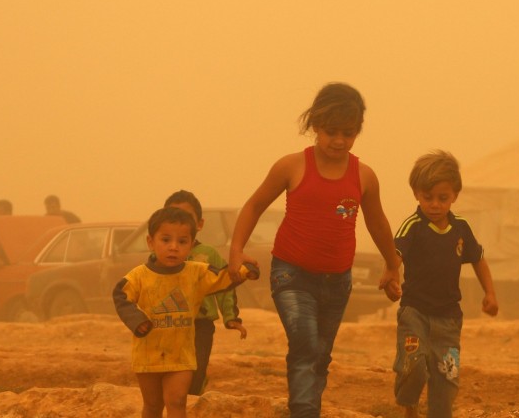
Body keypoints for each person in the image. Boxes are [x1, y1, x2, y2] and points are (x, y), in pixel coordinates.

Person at [228, 81, 402, 418]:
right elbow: (254, 206)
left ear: (358, 131)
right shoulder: (291, 166)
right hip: (291, 274)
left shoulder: (364, 176)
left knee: (321, 354)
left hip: (337, 281)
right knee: (306, 346)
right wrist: (237, 250)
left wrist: (393, 265)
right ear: (314, 127)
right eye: (331, 131)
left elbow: (377, 224)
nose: (339, 140)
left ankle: (308, 407)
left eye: (348, 133)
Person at [113, 206, 258, 418]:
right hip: (148, 355)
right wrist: (137, 320)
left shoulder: (196, 273)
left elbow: (222, 277)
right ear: (150, 242)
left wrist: (245, 271)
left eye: (182, 241)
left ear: (191, 244)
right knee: (153, 406)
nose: (174, 247)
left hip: (182, 355)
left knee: (178, 401)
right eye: (165, 240)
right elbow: (121, 296)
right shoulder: (138, 276)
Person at [391, 150, 499, 418]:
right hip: (414, 312)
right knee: (413, 364)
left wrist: (490, 293)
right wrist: (390, 275)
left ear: (455, 196)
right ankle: (410, 407)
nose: (435, 205)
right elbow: (395, 253)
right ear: (416, 193)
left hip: (449, 318)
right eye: (428, 198)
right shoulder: (412, 226)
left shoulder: (461, 228)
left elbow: (478, 259)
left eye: (443, 198)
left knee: (446, 375)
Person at [163, 189, 248, 396]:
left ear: (199, 224)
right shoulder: (159, 255)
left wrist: (231, 317)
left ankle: (195, 392)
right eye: (172, 216)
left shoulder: (208, 254)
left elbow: (225, 285)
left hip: (200, 324)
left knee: (196, 370)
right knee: (168, 372)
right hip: (167, 324)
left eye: (186, 217)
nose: (179, 222)